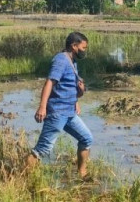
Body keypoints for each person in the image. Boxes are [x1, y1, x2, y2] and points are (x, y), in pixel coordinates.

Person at [25, 31, 93, 178]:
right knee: (43, 149)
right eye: (83, 47)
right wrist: (42, 107)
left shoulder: (72, 62)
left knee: (86, 138)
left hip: (69, 112)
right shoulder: (61, 60)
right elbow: (50, 82)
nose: (84, 51)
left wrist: (77, 99)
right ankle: (25, 178)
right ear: (74, 46)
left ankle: (82, 173)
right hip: (57, 112)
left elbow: (68, 87)